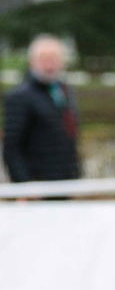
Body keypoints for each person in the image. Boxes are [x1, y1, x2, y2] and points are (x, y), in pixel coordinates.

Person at [3, 35, 81, 186]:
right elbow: (12, 147)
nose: (50, 64)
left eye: (54, 58)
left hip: (64, 181)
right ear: (32, 61)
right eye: (44, 58)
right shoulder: (20, 96)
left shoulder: (64, 91)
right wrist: (23, 184)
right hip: (37, 184)